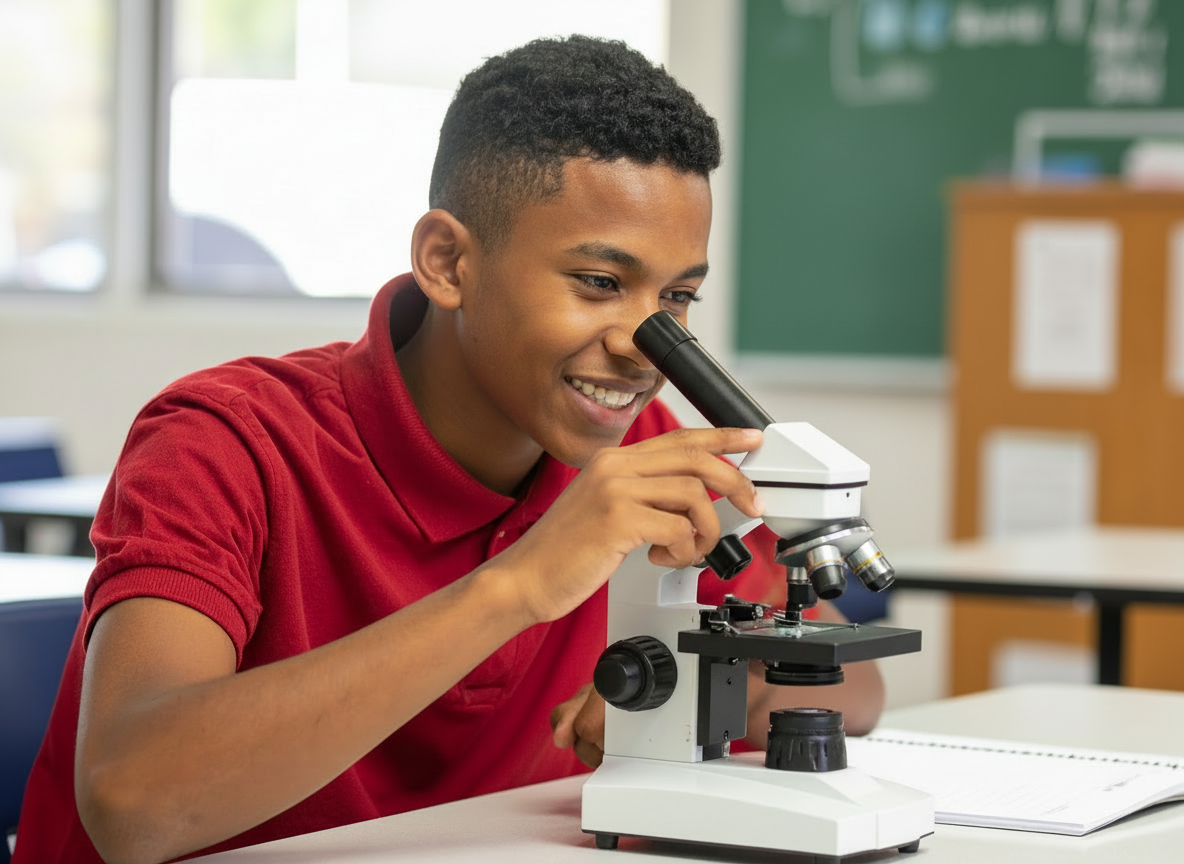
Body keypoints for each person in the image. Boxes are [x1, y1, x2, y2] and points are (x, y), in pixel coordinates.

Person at [14, 35, 884, 864]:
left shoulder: (643, 451)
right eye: (598, 283)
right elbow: (134, 804)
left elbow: (855, 686)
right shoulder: (226, 441)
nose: (644, 344)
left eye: (678, 297)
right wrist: (520, 584)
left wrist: (717, 693)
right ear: (446, 261)